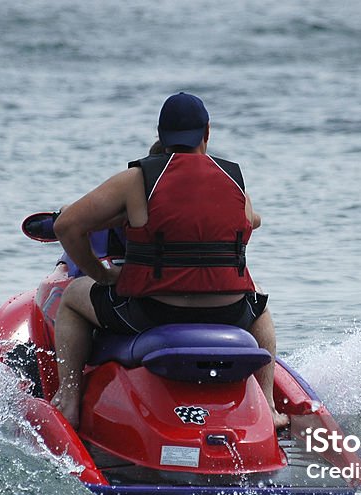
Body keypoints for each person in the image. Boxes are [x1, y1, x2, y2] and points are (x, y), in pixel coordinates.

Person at [50, 92, 288, 430]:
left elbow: (66, 225)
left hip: (154, 312)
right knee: (260, 305)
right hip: (229, 312)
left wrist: (101, 274)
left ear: (161, 135)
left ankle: (69, 400)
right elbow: (250, 219)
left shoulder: (138, 179)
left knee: (73, 297)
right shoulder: (233, 178)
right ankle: (267, 407)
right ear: (207, 133)